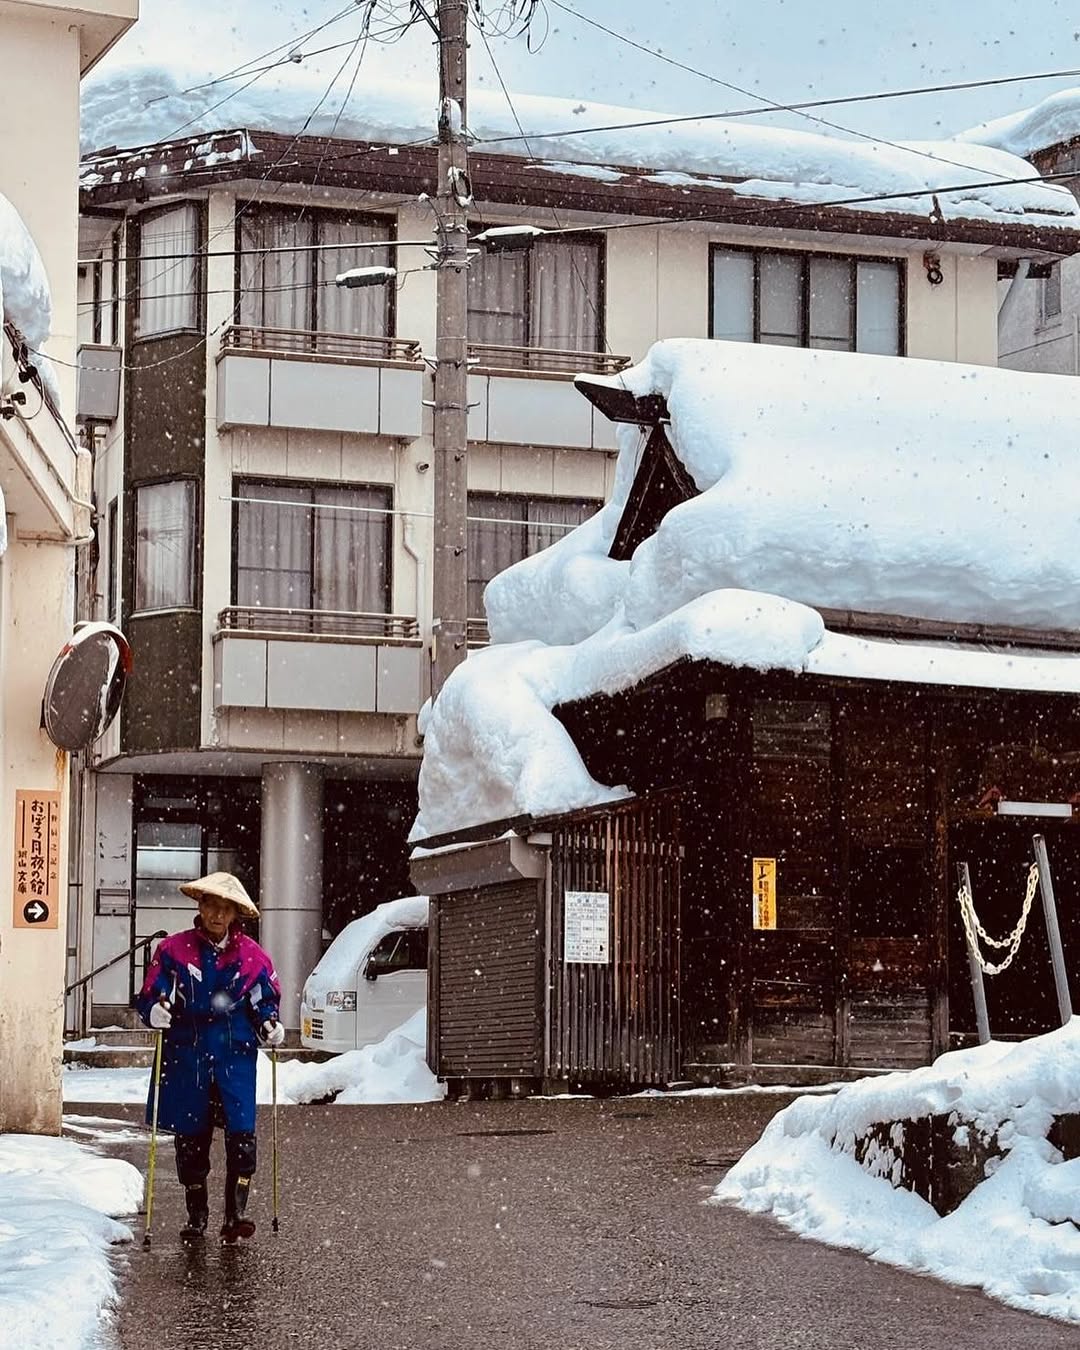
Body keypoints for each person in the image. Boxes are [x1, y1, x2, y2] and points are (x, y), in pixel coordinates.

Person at [136, 871, 284, 1243]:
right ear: (199, 907)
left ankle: (236, 1213)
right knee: (191, 1139)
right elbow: (155, 992)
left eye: (225, 908)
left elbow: (263, 1000)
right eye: (211, 906)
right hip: (189, 1054)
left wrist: (269, 1024)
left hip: (235, 1055)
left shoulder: (253, 956)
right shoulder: (173, 950)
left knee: (242, 1137)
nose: (217, 915)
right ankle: (196, 1214)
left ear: (235, 913)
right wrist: (154, 1009)